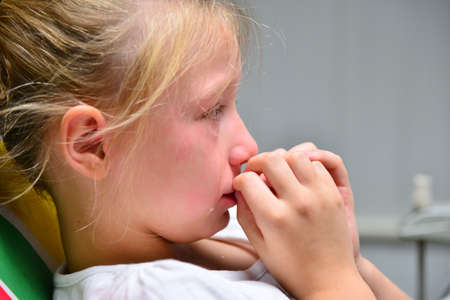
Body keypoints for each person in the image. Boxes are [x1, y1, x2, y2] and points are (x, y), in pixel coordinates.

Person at [0, 0, 412, 299]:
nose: (248, 145)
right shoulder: (151, 293)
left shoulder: (220, 226)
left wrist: (349, 259)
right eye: (213, 110)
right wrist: (329, 279)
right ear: (93, 144)